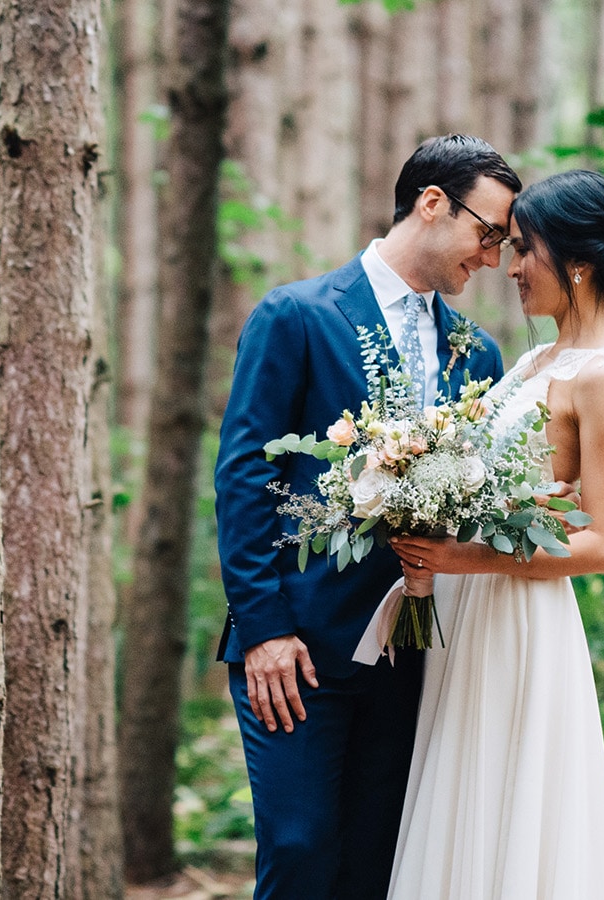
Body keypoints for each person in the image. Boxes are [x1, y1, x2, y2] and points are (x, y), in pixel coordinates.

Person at [213, 134, 519, 900]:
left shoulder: (476, 354)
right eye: (488, 233)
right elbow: (246, 478)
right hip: (300, 648)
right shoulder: (296, 315)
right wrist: (265, 631)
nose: (490, 257)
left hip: (413, 652)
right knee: (300, 848)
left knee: (380, 865)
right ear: (431, 203)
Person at [386, 169, 604, 898]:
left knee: (507, 814)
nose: (512, 266)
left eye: (526, 249)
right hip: (474, 612)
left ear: (579, 264)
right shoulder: (538, 360)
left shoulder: (600, 375)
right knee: (459, 809)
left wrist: (459, 557)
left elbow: (603, 545)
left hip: (520, 622)